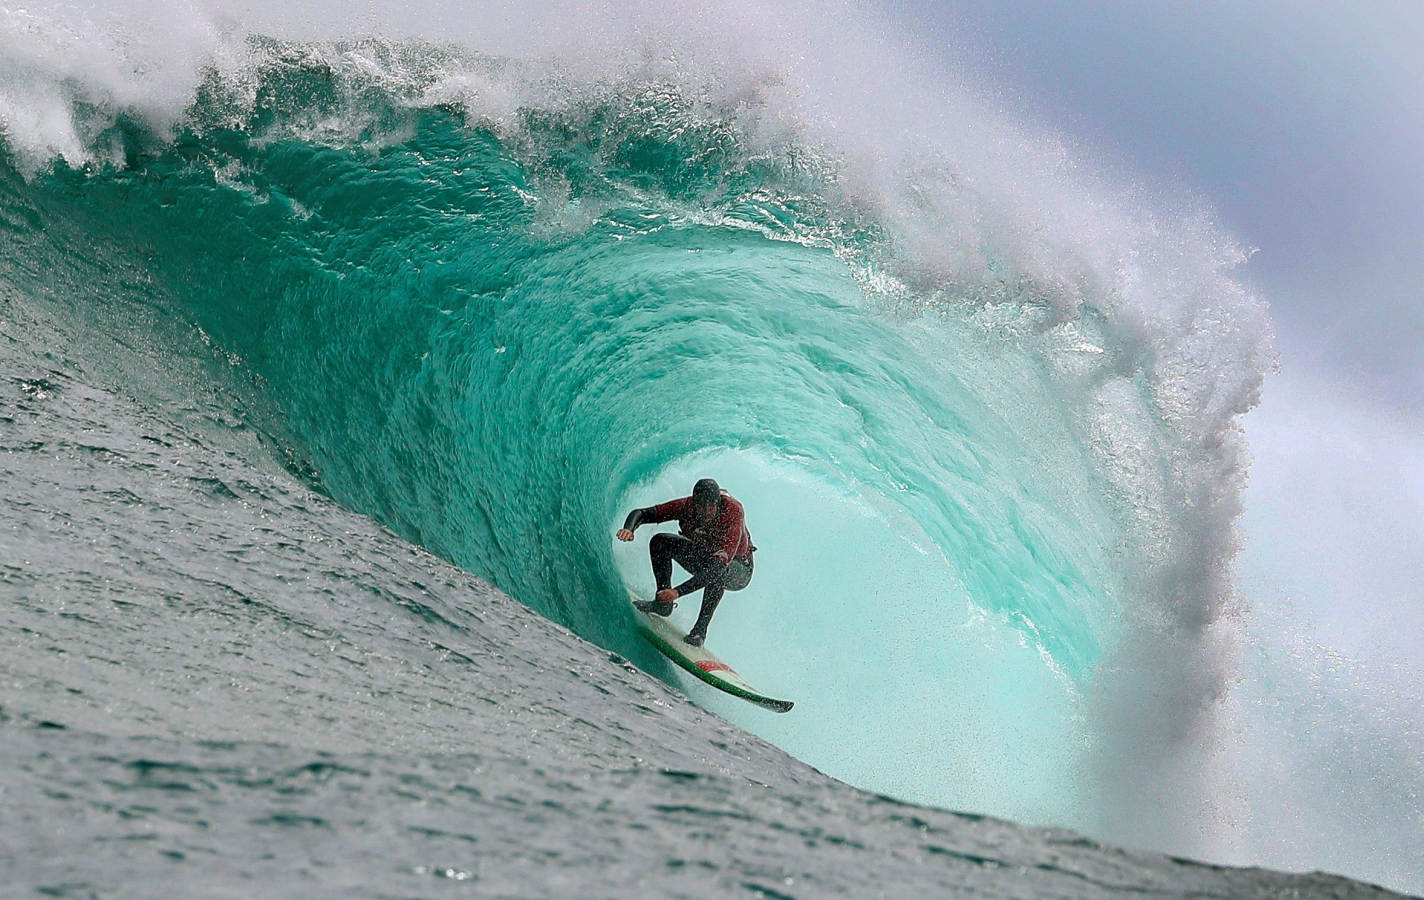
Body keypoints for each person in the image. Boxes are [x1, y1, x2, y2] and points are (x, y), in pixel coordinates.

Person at [616, 478, 755, 647]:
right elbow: (642, 514)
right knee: (660, 542)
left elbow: (717, 568)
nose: (706, 510)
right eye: (702, 505)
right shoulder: (686, 506)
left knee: (719, 572)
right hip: (707, 557)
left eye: (711, 505)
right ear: (694, 503)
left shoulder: (732, 512)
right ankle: (662, 604)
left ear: (718, 503)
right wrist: (629, 529)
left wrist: (677, 592)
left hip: (739, 569)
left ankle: (699, 631)